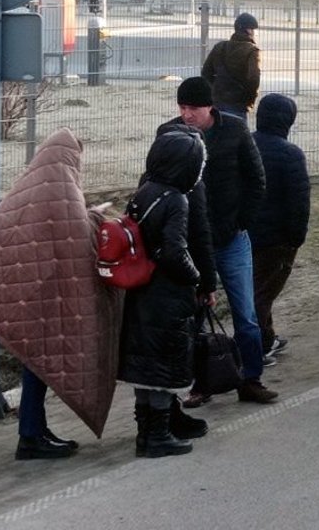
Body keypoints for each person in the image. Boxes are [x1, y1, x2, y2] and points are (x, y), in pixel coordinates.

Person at [162, 77, 276, 406]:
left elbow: (257, 180)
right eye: (182, 108)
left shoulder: (236, 131)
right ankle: (202, 383)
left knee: (246, 314)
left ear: (209, 106)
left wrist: (241, 222)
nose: (187, 115)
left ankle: (251, 379)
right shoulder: (170, 134)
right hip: (192, 243)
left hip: (231, 239)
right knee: (195, 316)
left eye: (193, 108)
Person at [118, 125, 207, 458]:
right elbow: (174, 250)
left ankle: (146, 433)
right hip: (166, 296)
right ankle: (157, 436)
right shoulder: (177, 200)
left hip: (141, 291)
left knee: (145, 365)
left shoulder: (145, 190)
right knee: (162, 367)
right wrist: (195, 276)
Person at [250, 94, 311, 365]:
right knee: (262, 293)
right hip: (277, 239)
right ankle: (258, 346)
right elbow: (299, 202)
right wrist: (296, 238)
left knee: (257, 288)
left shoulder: (246, 144)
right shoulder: (290, 155)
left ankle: (268, 336)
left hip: (244, 233)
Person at [200, 12, 261, 116]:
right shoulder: (252, 51)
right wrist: (249, 101)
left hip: (217, 101)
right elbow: (253, 79)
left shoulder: (220, 47)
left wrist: (215, 90)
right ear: (248, 30)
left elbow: (205, 73)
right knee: (236, 131)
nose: (253, 32)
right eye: (252, 29)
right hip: (238, 103)